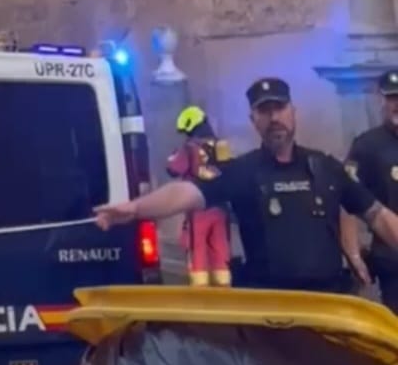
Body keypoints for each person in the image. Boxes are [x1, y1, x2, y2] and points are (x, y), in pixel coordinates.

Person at [95, 76, 398, 293]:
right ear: (253, 119)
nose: (274, 117)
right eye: (264, 111)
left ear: (293, 112)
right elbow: (186, 192)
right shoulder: (242, 171)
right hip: (270, 316)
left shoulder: (326, 168)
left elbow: (378, 216)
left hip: (329, 309)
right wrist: (135, 208)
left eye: (279, 108)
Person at [342, 69, 398, 308]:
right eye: (392, 97)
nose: (397, 104)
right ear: (381, 100)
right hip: (393, 264)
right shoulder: (367, 146)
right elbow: (346, 200)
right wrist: (354, 254)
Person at [166, 105, 232, 286]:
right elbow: (230, 172)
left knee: (197, 249)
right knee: (220, 249)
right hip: (221, 209)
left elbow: (173, 169)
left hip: (198, 210)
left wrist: (173, 156)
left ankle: (200, 289)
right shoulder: (221, 146)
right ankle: (223, 286)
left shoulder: (189, 148)